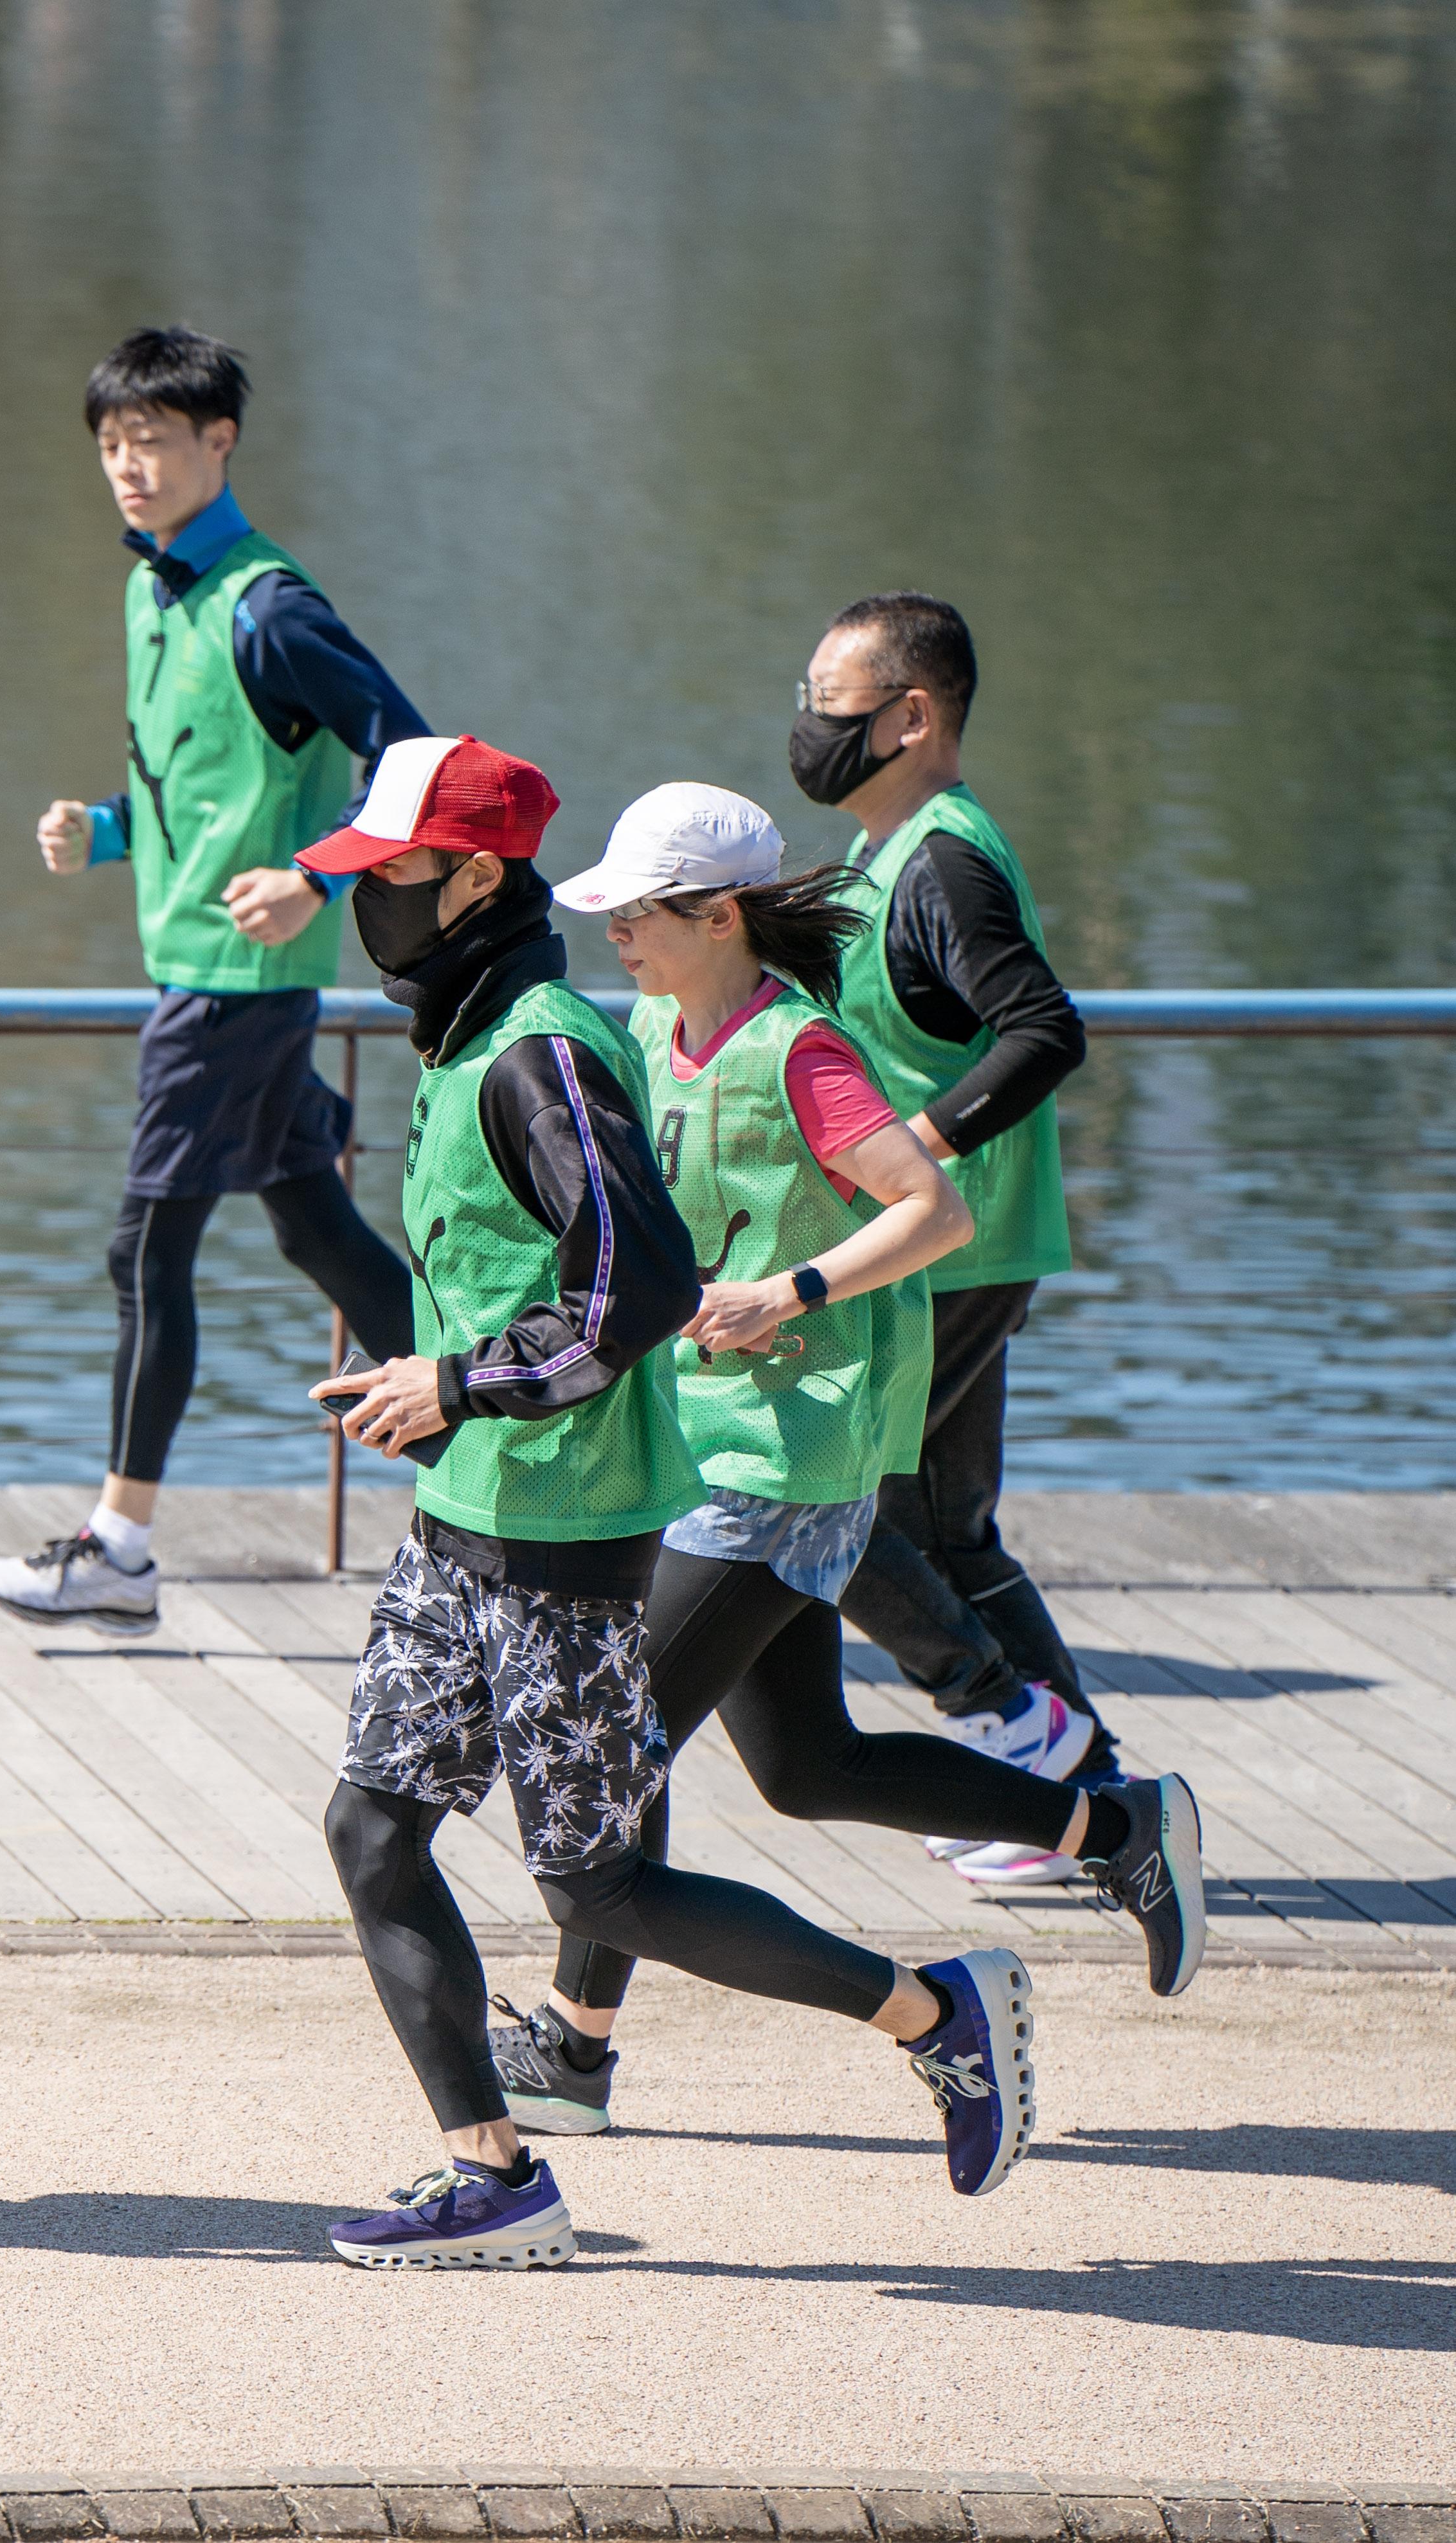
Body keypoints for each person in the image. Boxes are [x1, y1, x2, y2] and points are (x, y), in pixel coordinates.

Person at [298, 737, 1036, 2270]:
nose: (367, 902)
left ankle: (933, 2011)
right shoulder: (465, 1037)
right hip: (462, 1520)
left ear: (476, 880)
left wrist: (460, 1383)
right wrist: (427, 1381)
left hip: (567, 1538)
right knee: (373, 1831)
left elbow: (633, 1288)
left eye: (391, 875)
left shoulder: (542, 1051)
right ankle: (495, 2175)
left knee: (599, 1882)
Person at [479, 787, 1206, 2139]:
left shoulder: (801, 1049)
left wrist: (792, 1288)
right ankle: (1117, 1831)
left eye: (637, 912)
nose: (615, 933)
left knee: (616, 1753)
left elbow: (935, 1209)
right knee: (806, 1765)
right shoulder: (646, 1032)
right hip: (694, 1439)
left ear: (719, 915)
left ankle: (575, 2056)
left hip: (784, 1454)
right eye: (610, 912)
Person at [0, 325, 422, 1638]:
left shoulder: (268, 606)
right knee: (316, 1232)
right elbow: (206, 786)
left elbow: (414, 757)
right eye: (112, 444)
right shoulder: (152, 592)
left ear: (219, 443)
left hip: (234, 982)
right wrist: (106, 832)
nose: (129, 466)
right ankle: (526, 1447)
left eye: (155, 441)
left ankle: (118, 1548)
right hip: (199, 967)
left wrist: (319, 879)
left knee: (144, 1249)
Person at [795, 593, 1111, 1879]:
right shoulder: (888, 850)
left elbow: (1043, 1029)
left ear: (911, 716)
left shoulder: (941, 860)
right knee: (944, 1530)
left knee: (832, 1504)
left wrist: (914, 1151)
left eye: (832, 706)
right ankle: (1085, 1796)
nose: (809, 728)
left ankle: (1015, 1733)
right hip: (951, 1250)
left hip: (948, 1252)